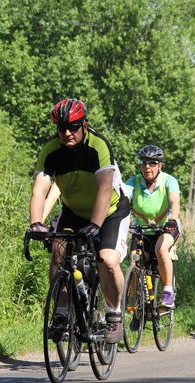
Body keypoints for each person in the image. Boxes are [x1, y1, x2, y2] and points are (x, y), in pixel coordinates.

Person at [28, 98, 130, 344]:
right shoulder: (51, 151)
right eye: (61, 127)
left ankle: (114, 312)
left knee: (106, 259)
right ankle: (62, 312)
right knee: (58, 250)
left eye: (73, 127)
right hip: (74, 210)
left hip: (110, 211)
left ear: (84, 125)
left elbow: (105, 190)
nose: (66, 133)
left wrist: (95, 225)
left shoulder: (98, 146)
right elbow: (39, 190)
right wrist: (35, 223)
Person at [124, 145, 182, 309]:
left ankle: (168, 291)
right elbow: (123, 198)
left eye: (152, 163)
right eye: (143, 163)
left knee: (161, 249)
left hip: (166, 227)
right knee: (135, 262)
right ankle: (137, 305)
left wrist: (172, 219)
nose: (147, 167)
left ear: (160, 165)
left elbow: (174, 202)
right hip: (141, 229)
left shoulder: (168, 181)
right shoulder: (133, 181)